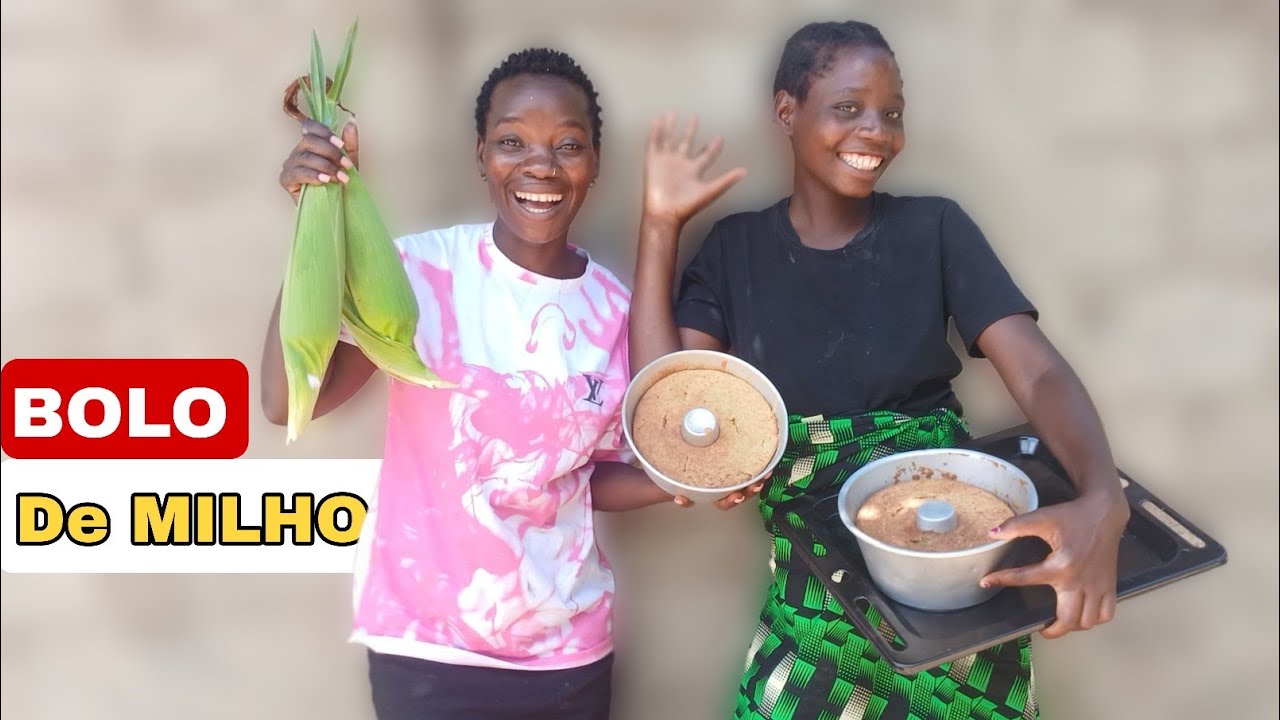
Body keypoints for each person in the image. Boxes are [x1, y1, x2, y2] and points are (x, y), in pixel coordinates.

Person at [629, 21, 1131, 720]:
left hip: (952, 563)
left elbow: (1039, 374)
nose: (877, 131)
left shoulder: (935, 230)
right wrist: (660, 226)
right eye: (848, 107)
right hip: (817, 584)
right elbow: (670, 412)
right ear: (786, 111)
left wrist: (1103, 497)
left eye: (891, 113)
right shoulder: (735, 250)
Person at [260, 48, 680, 720]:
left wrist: (680, 482)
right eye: (513, 142)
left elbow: (575, 479)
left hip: (567, 653)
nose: (540, 164)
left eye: (567, 145)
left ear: (595, 164)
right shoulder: (421, 276)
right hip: (427, 652)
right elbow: (287, 400)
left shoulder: (617, 313)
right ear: (482, 155)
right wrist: (320, 217)